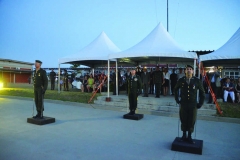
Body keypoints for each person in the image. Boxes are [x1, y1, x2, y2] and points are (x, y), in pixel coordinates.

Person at [174, 65, 205, 144]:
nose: (188, 70)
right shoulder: (181, 80)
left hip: (192, 104)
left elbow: (202, 93)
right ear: (185, 71)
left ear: (193, 71)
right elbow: (175, 89)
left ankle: (189, 136)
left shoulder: (196, 81)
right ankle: (184, 135)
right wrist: (177, 99)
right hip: (184, 104)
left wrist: (200, 103)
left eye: (190, 69)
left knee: (191, 120)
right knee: (183, 119)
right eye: (187, 69)